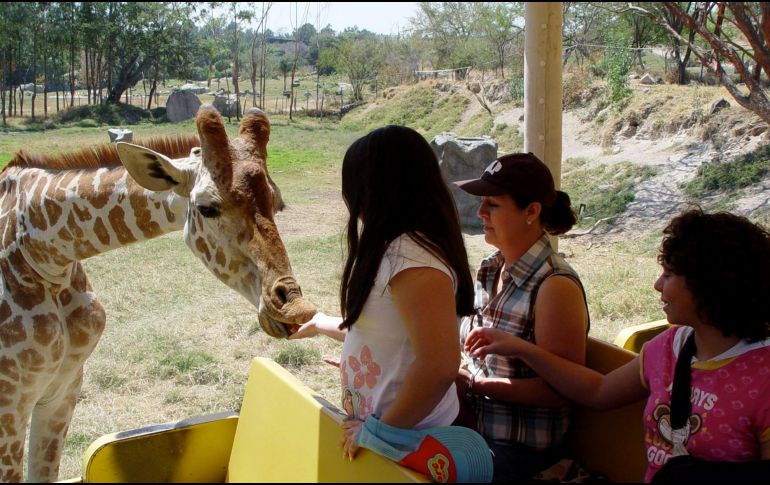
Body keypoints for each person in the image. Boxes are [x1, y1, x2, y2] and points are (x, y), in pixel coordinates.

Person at [464, 208, 770, 483]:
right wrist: (522, 348)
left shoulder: (763, 376)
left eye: (670, 274)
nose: (658, 285)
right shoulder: (670, 347)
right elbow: (598, 391)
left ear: (711, 284)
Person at [290, 125, 477, 464]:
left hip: (413, 442)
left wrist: (379, 433)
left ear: (378, 191)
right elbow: (381, 333)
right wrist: (320, 323)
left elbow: (439, 365)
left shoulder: (413, 261)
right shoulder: (393, 251)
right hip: (392, 434)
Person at [452, 152, 590, 482]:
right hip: (475, 431)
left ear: (531, 211)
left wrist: (474, 385)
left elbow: (562, 391)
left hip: (520, 452)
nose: (480, 212)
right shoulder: (490, 268)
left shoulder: (555, 286)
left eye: (493, 205)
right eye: (482, 202)